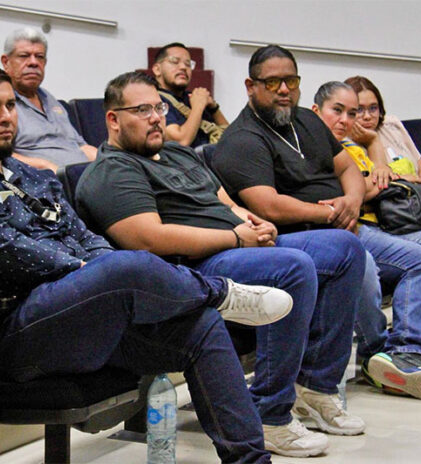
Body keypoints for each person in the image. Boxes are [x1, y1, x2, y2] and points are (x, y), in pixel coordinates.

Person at [0, 61, 297, 463]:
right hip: (2, 330)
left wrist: (97, 274)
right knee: (123, 268)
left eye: (10, 106)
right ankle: (220, 293)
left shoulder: (24, 173)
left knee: (199, 327)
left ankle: (250, 460)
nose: (6, 117)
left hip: (70, 311)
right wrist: (88, 273)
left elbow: (83, 235)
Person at [76, 71, 369, 458]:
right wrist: (236, 237)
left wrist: (255, 222)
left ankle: (315, 388)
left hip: (238, 245)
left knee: (345, 248)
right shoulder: (112, 170)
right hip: (193, 268)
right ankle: (269, 414)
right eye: (142, 110)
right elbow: (149, 239)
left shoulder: (178, 152)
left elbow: (226, 203)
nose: (156, 117)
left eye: (159, 107)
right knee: (294, 268)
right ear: (113, 119)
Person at [210, 45, 421, 401]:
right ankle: (374, 354)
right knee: (360, 263)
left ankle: (404, 353)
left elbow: (347, 168)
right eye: (273, 82)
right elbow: (269, 205)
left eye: (291, 81)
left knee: (420, 259)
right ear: (251, 86)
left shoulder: (306, 121)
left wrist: (352, 201)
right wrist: (328, 213)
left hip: (345, 224)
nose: (284, 89)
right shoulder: (242, 139)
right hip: (302, 236)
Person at [311, 80, 421, 395]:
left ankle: (406, 350)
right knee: (373, 261)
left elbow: (379, 182)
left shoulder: (352, 146)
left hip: (372, 224)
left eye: (351, 113)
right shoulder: (316, 145)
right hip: (343, 229)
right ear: (316, 111)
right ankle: (377, 352)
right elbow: (357, 190)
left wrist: (371, 181)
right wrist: (368, 186)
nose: (347, 120)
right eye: (338, 111)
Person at [344, 75, 421, 358]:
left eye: (373, 108)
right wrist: (393, 170)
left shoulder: (390, 127)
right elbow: (373, 186)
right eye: (359, 109)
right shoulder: (344, 141)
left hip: (409, 211)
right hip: (380, 221)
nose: (367, 116)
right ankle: (408, 337)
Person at [0, 27, 96, 170]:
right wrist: (47, 167)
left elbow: (81, 146)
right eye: (24, 56)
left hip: (82, 176)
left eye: (39, 56)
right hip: (44, 179)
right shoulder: (1, 104)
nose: (33, 62)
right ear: (6, 62)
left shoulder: (50, 100)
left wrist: (108, 162)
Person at [152, 42, 228, 147]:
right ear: (157, 69)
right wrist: (198, 106)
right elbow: (181, 142)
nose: (183, 67)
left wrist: (214, 108)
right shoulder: (154, 100)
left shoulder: (192, 97)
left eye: (188, 64)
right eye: (175, 61)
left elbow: (231, 137)